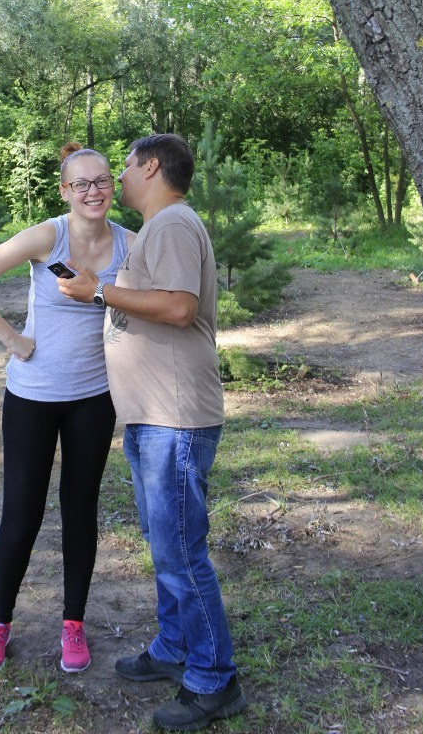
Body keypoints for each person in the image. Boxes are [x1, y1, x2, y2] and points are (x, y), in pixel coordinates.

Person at [57, 134, 246, 732]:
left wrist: (99, 290)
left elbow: (179, 308)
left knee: (181, 551)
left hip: (175, 416)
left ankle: (215, 679)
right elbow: (152, 300)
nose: (118, 179)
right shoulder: (161, 227)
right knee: (165, 543)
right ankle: (173, 648)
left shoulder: (171, 224)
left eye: (125, 167)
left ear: (151, 167)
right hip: (152, 415)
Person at [0, 143, 133, 675]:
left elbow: (150, 304)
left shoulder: (131, 244)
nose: (94, 191)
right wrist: (12, 339)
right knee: (21, 514)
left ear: (113, 186)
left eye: (102, 181)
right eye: (82, 184)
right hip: (32, 398)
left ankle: (73, 623)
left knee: (80, 510)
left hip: (94, 399)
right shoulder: (46, 237)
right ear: (64, 191)